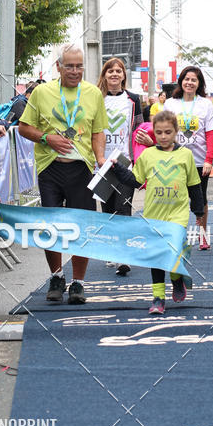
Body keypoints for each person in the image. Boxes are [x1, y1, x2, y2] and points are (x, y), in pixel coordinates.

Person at [18, 45, 108, 305]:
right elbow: (24, 127)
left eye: (79, 66)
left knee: (82, 226)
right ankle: (56, 277)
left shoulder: (93, 93)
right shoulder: (42, 92)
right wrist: (47, 138)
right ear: (58, 66)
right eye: (69, 66)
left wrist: (100, 158)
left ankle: (78, 282)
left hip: (81, 169)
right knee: (50, 226)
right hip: (50, 168)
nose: (75, 71)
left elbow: (98, 132)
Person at [113, 110, 203, 315]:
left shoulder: (185, 155)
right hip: (154, 215)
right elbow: (135, 180)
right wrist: (118, 168)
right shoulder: (148, 155)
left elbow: (194, 186)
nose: (163, 136)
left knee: (173, 251)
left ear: (176, 131)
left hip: (177, 215)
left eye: (168, 132)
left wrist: (198, 211)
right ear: (154, 132)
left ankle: (176, 278)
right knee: (156, 257)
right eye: (159, 132)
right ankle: (158, 298)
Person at [97, 57, 143, 276]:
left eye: (118, 71)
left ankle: (124, 256)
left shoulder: (133, 99)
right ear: (104, 75)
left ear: (124, 75)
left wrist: (142, 149)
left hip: (125, 161)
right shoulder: (96, 98)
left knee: (123, 208)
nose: (114, 74)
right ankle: (111, 249)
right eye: (110, 71)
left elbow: (139, 129)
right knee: (107, 210)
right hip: (101, 162)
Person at [163, 66, 213, 249]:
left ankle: (203, 235)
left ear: (199, 83)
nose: (190, 83)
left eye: (194, 80)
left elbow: (211, 133)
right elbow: (164, 130)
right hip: (175, 160)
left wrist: (209, 159)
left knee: (200, 199)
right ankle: (176, 235)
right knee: (175, 198)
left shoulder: (205, 104)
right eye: (187, 79)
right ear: (181, 81)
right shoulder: (171, 103)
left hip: (199, 161)